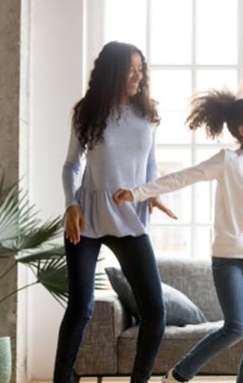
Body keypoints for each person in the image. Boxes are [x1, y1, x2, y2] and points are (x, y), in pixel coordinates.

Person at [112, 90, 243, 383]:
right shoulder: (227, 160)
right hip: (228, 261)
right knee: (237, 327)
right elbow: (183, 176)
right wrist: (137, 192)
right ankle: (181, 373)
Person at [54, 41, 176, 383]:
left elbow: (150, 164)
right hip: (88, 215)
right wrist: (71, 205)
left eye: (141, 69)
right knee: (81, 308)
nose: (138, 76)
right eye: (130, 69)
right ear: (112, 71)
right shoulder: (88, 111)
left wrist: (151, 193)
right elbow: (70, 166)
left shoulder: (146, 114)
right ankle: (62, 379)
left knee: (155, 310)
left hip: (129, 215)